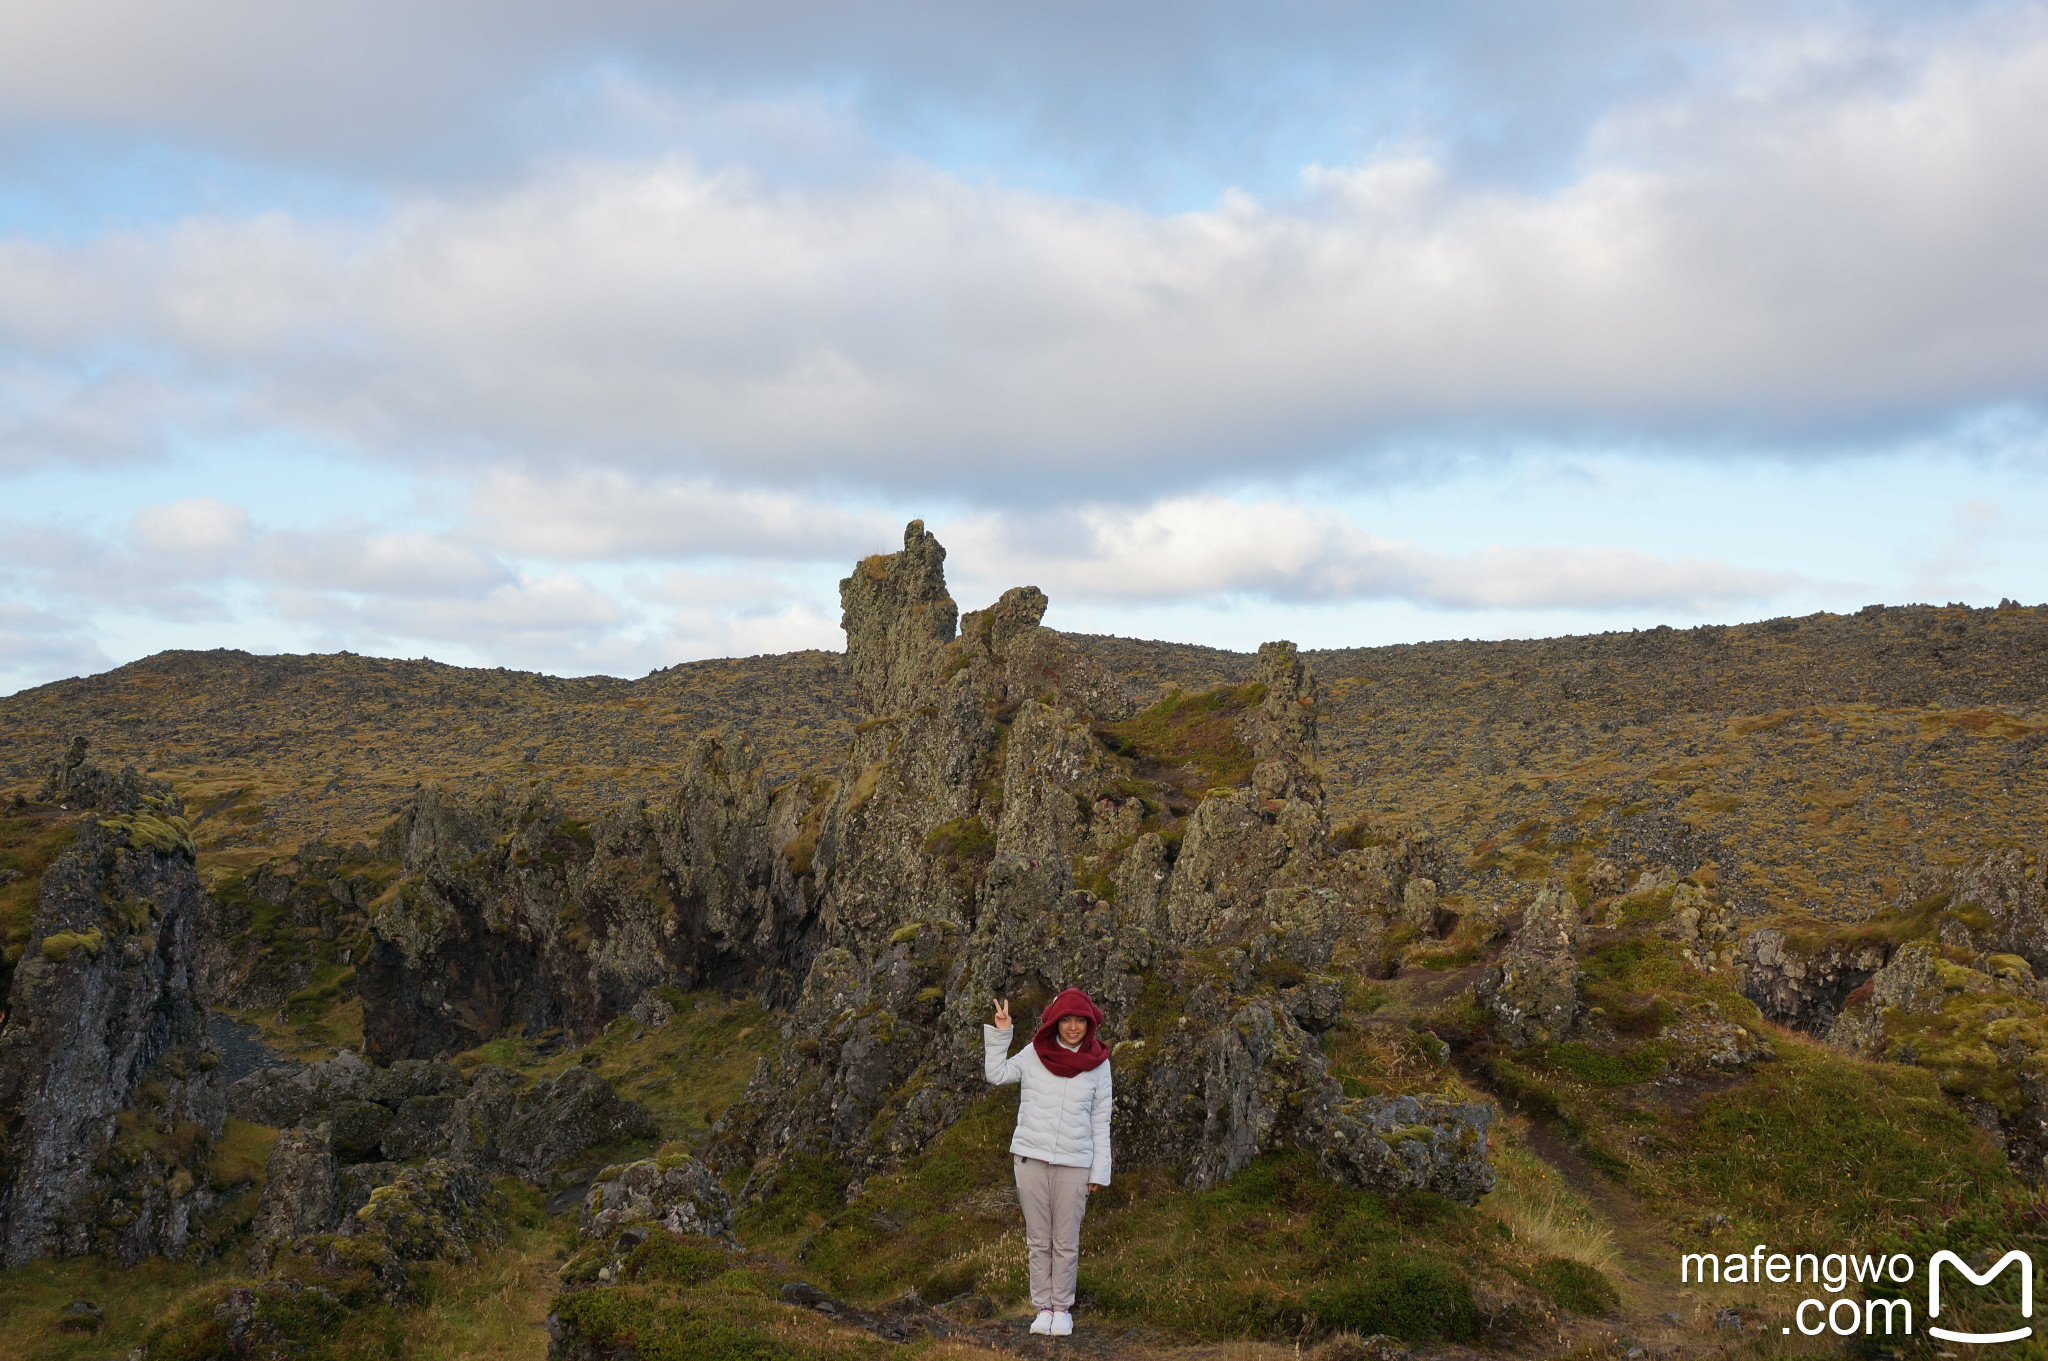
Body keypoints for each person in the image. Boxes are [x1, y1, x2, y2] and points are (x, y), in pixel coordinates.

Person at [984, 988, 1112, 1338]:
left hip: (1075, 1164)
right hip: (1031, 1158)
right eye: (1066, 1019)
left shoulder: (1100, 1065)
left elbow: (1101, 1121)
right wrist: (1001, 1033)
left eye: (1080, 1020)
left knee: (1066, 1241)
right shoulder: (1034, 1053)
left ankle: (1062, 1309)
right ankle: (1042, 1308)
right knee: (1038, 1238)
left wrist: (1100, 1170)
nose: (1073, 1027)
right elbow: (997, 1074)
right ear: (1055, 1022)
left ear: (1090, 1024)